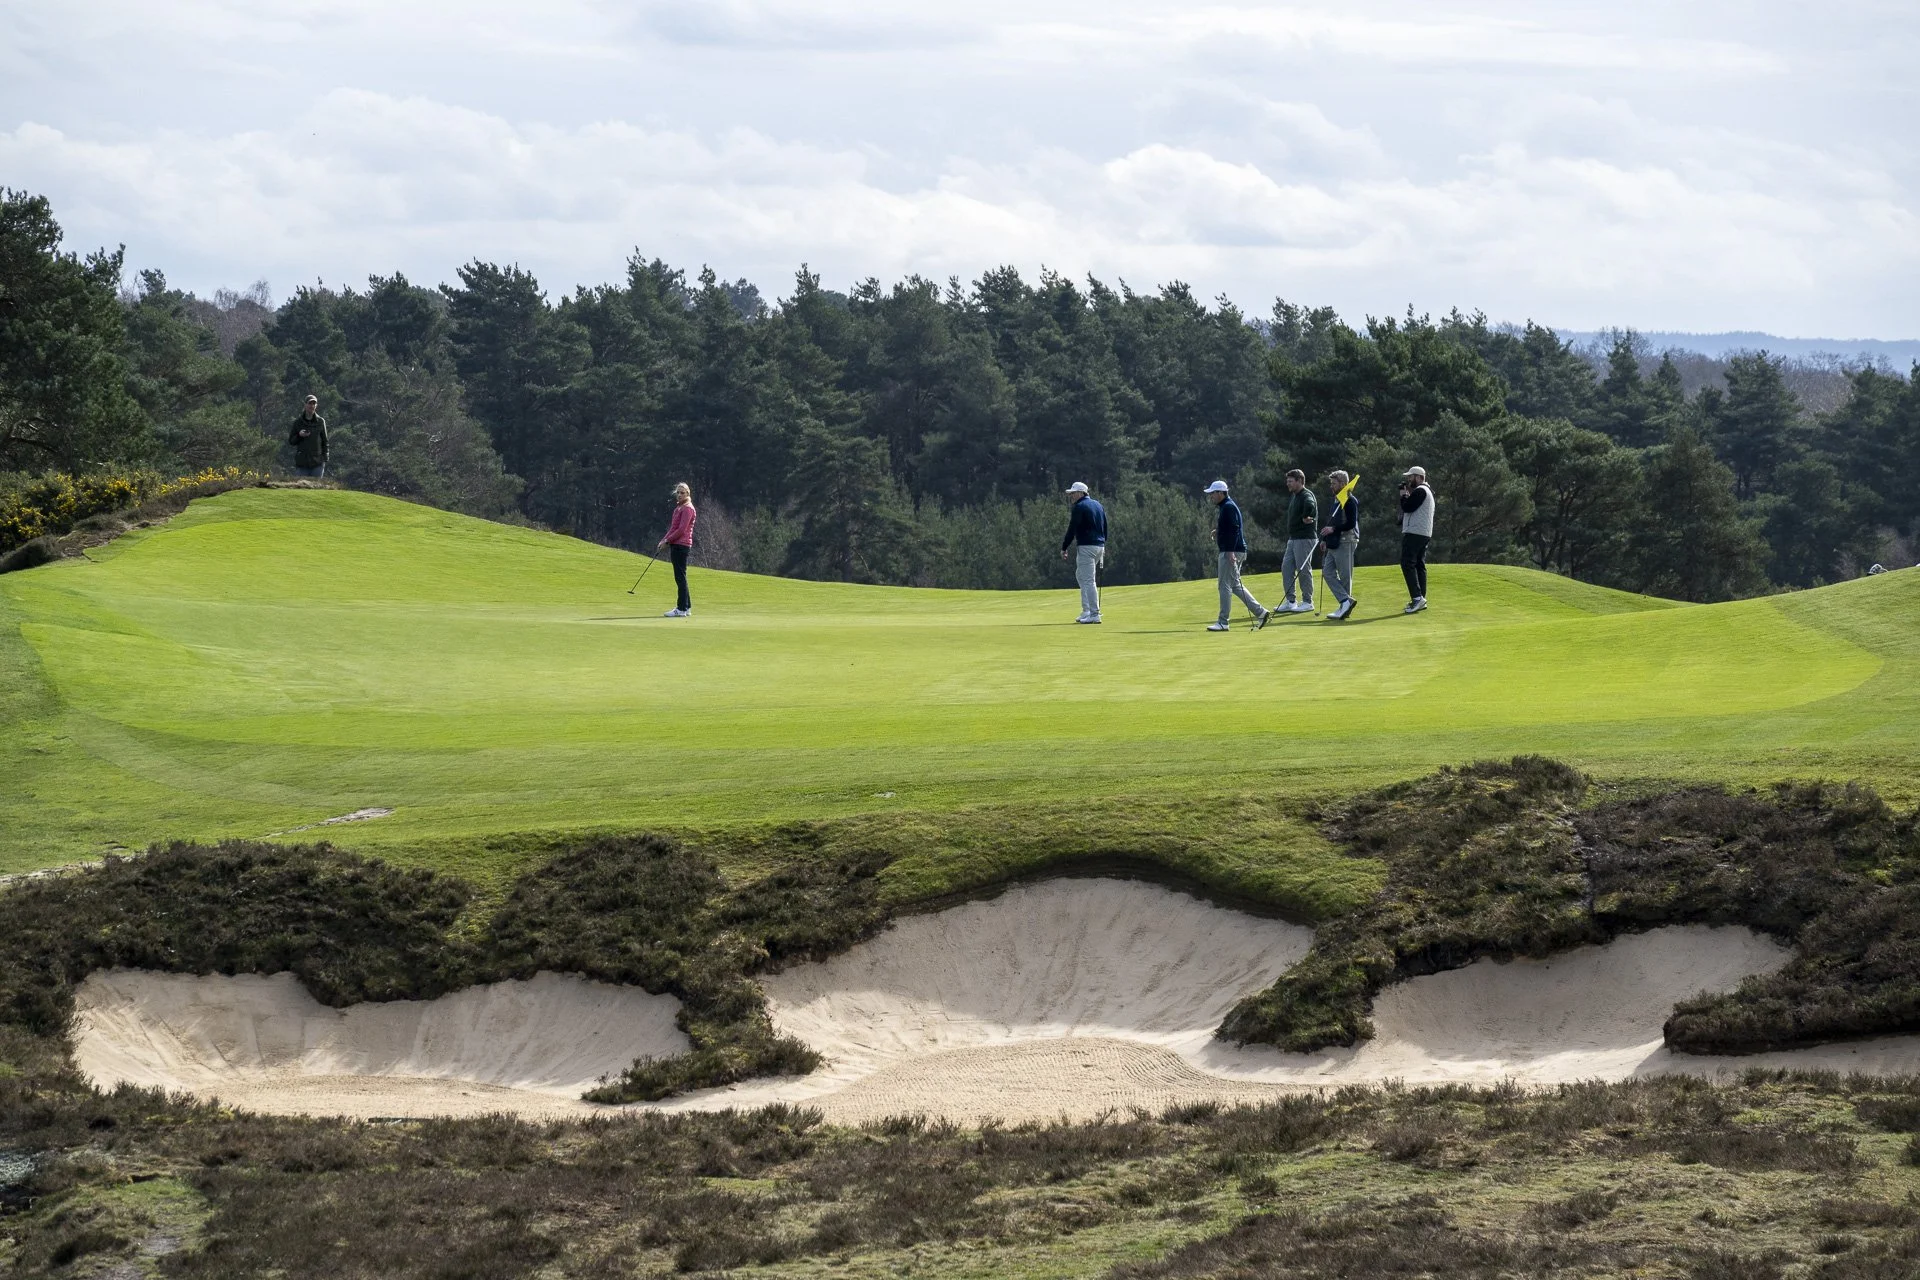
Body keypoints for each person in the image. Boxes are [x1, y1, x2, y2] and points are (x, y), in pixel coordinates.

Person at [1204, 480, 1271, 632]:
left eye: (1213, 493)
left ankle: (1223, 622)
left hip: (1230, 551)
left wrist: (1229, 551)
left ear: (1221, 493)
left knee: (1224, 585)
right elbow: (1230, 527)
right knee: (1234, 585)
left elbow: (1234, 530)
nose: (1211, 497)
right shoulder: (1226, 506)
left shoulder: (1227, 507)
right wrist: (1218, 531)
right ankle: (1260, 612)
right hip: (1235, 550)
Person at [1059, 481, 1107, 624]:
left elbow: (1072, 528)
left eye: (1073, 493)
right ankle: (1086, 610)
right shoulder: (1098, 505)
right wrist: (1104, 543)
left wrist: (1064, 547)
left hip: (1087, 546)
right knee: (1081, 575)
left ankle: (1094, 613)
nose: (1071, 496)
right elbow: (1105, 526)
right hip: (1099, 546)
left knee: (1088, 580)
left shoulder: (1079, 507)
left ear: (1081, 493)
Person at [1319, 470, 1360, 621]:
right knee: (1327, 572)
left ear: (1343, 484)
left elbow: (1350, 523)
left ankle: (1344, 606)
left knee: (1344, 576)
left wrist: (1333, 530)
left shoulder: (1349, 500)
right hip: (1333, 541)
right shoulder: (1337, 500)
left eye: (1334, 483)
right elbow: (1332, 521)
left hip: (1346, 540)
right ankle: (1345, 601)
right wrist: (1324, 539)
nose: (1331, 486)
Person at [1278, 469, 1318, 612]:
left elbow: (1310, 505)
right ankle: (1291, 601)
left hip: (1305, 538)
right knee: (1286, 568)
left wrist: (1307, 515)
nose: (1287, 484)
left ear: (1300, 481)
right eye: (1287, 481)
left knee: (1303, 569)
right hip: (1294, 538)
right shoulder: (1295, 496)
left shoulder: (1306, 495)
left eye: (1290, 481)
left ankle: (1307, 602)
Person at [1398, 465, 1435, 613]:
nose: (1408, 479)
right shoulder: (1426, 491)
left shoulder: (1420, 490)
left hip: (1415, 532)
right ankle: (1420, 598)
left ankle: (1417, 598)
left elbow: (1407, 507)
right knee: (1419, 564)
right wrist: (1407, 496)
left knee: (1407, 562)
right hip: (1423, 533)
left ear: (1420, 477)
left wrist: (1403, 495)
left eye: (1411, 477)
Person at [657, 482, 697, 617]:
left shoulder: (688, 509)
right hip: (676, 544)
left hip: (682, 545)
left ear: (688, 494)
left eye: (682, 493)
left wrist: (668, 541)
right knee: (681, 577)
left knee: (680, 577)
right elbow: (673, 528)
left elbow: (681, 530)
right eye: (678, 492)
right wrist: (664, 540)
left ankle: (681, 609)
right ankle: (687, 607)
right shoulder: (678, 509)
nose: (679, 495)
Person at [288, 395, 328, 478]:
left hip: (317, 464)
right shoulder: (298, 422)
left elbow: (325, 441)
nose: (312, 406)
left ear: (316, 406)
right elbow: (291, 441)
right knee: (301, 489)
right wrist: (299, 435)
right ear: (305, 405)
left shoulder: (321, 421)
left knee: (316, 489)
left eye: (314, 404)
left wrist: (324, 458)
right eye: (310, 403)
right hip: (302, 464)